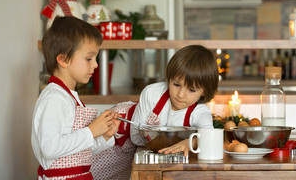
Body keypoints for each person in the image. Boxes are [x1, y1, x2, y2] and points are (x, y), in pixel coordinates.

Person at [91, 44, 219, 180]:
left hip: (139, 148)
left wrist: (190, 143)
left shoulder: (200, 112)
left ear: (204, 91)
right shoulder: (152, 93)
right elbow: (135, 135)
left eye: (191, 90)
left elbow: (209, 136)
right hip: (117, 130)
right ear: (169, 78)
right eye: (176, 85)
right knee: (90, 170)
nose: (181, 94)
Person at [31, 16, 121, 180]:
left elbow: (78, 151)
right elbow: (50, 148)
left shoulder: (69, 97)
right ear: (63, 60)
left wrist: (104, 135)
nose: (95, 64)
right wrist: (91, 130)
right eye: (89, 58)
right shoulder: (54, 98)